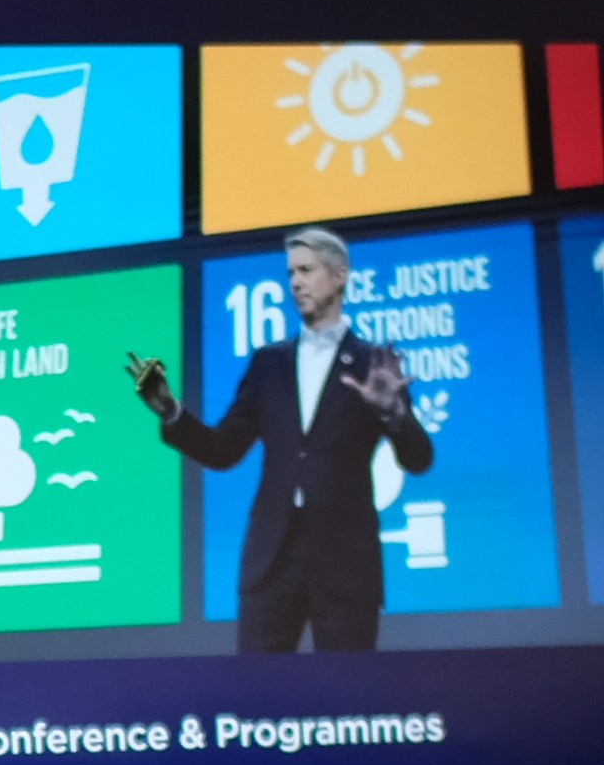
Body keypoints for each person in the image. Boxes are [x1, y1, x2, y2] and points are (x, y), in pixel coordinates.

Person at [126, 223, 437, 655]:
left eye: (306, 270)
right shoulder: (268, 364)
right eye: (291, 273)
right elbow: (223, 450)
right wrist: (171, 413)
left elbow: (419, 459)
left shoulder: (374, 364)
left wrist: (392, 411)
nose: (295, 283)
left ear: (340, 275)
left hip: (346, 564)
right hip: (271, 562)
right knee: (257, 700)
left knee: (346, 703)